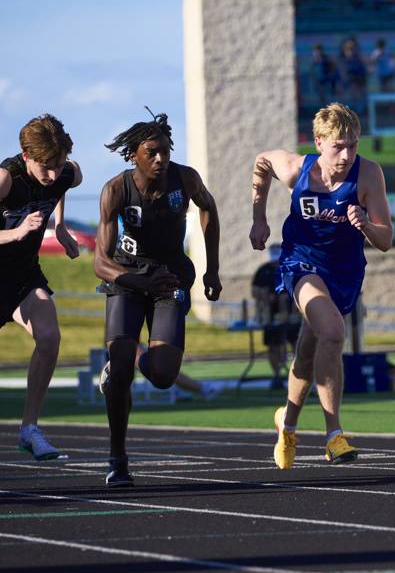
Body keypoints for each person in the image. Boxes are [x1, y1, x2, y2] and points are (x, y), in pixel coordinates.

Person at [250, 103, 392, 469]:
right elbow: (262, 161)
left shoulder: (368, 175)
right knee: (331, 331)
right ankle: (334, 435)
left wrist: (365, 225)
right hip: (301, 261)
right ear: (318, 142)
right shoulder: (297, 168)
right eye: (337, 147)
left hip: (344, 270)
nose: (346, 155)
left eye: (353, 146)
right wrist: (258, 217)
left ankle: (288, 424)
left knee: (310, 348)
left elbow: (386, 239)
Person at [94, 110, 222, 486]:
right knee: (120, 373)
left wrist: (212, 269)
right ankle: (118, 460)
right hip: (128, 280)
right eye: (152, 152)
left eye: (165, 150)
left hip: (168, 279)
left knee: (164, 375)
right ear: (134, 154)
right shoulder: (116, 190)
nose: (160, 158)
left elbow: (208, 208)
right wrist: (135, 280)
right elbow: (100, 263)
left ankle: (135, 355)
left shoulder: (185, 178)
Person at [5, 115, 82, 461]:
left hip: (23, 277)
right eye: (46, 167)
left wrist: (60, 226)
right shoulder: (7, 179)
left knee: (49, 338)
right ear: (26, 156)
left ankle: (29, 429)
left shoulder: (67, 172)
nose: (53, 174)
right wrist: (14, 233)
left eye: (58, 165)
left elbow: (64, 183)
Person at [252, 243, 300, 390]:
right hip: (271, 316)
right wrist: (265, 296)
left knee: (297, 345)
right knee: (273, 346)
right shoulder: (263, 271)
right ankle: (277, 375)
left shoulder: (291, 269)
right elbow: (255, 291)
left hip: (291, 316)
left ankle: (299, 375)